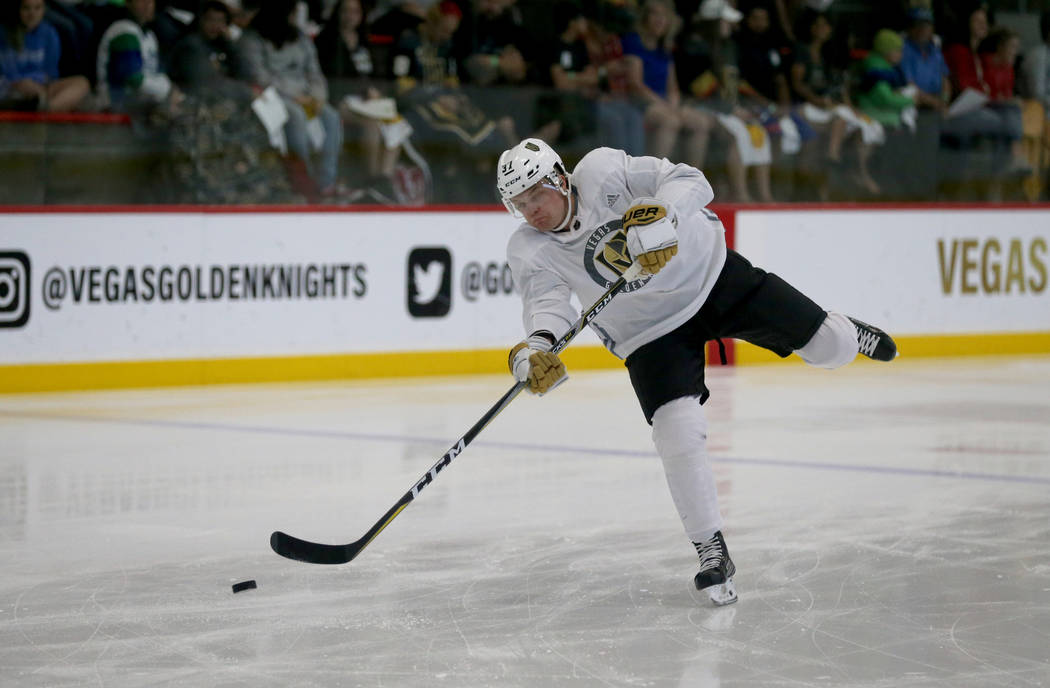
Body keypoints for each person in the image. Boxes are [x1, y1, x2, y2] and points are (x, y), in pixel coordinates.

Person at [495, 137, 897, 605]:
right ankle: (711, 551)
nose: (531, 212)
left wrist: (662, 214)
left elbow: (690, 180)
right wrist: (536, 349)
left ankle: (850, 332)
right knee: (676, 432)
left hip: (713, 278)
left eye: (536, 196)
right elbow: (546, 306)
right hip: (649, 334)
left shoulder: (604, 170)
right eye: (519, 204)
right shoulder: (529, 248)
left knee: (831, 347)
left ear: (560, 179)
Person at [240, 0, 347, 197]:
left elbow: (314, 72)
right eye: (291, 13)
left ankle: (326, 183)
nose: (294, 18)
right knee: (296, 117)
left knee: (331, 117)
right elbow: (259, 76)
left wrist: (318, 96)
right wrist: (296, 95)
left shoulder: (299, 37)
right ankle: (304, 182)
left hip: (306, 96)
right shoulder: (252, 38)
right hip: (274, 96)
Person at [622, 0, 714, 167]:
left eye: (664, 16)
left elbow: (673, 87)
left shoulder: (664, 49)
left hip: (663, 103)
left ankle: (691, 181)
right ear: (645, 18)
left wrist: (673, 104)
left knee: (700, 122)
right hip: (639, 103)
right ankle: (653, 179)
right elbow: (636, 84)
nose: (660, 20)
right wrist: (665, 105)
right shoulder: (633, 42)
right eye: (655, 14)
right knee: (670, 121)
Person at [0, 0, 89, 111]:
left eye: (37, 8)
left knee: (82, 83)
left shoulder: (50, 33)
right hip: (10, 87)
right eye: (26, 8)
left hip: (40, 87)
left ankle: (46, 109)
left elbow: (51, 72)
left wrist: (37, 86)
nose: (32, 14)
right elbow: (9, 72)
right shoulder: (4, 33)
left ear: (44, 10)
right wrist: (24, 83)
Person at [96, 0, 181, 113]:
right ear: (128, 3)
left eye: (151, 1)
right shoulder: (123, 32)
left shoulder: (149, 35)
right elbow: (133, 80)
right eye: (142, 0)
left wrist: (170, 89)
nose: (148, 4)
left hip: (140, 106)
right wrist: (167, 90)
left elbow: (157, 73)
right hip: (116, 107)